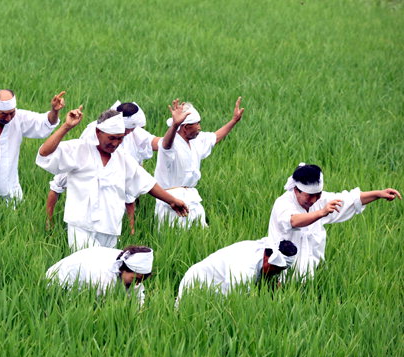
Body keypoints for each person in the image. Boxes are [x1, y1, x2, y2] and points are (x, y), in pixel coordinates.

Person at [36, 105, 189, 250]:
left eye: (120, 138)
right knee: (88, 270)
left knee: (106, 273)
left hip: (110, 228)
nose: (115, 143)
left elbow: (146, 183)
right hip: (81, 227)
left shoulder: (122, 159)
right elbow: (45, 153)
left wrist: (172, 200)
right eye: (111, 138)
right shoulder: (80, 149)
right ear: (98, 132)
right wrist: (66, 127)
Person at [267, 163, 401, 278]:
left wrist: (378, 194)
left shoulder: (320, 200)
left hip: (311, 276)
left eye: (317, 195)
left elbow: (349, 200)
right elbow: (293, 221)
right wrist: (321, 213)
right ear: (296, 190)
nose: (314, 200)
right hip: (282, 276)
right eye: (310, 196)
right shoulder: (283, 204)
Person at [45, 101, 159, 232]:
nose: (129, 133)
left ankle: (129, 229)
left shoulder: (131, 134)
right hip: (81, 166)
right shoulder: (95, 132)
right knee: (58, 185)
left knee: (123, 194)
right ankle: (50, 222)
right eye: (128, 130)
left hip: (111, 170)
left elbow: (156, 143)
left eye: (129, 131)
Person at [154, 98, 244, 227]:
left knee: (199, 233)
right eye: (197, 124)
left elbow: (215, 137)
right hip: (171, 201)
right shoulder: (171, 143)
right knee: (176, 237)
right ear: (185, 127)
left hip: (192, 199)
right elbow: (165, 145)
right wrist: (174, 125)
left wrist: (234, 121)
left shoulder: (196, 140)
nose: (200, 127)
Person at [176, 239, 298, 303]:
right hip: (198, 283)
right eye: (276, 270)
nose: (276, 274)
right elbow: (236, 303)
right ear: (268, 258)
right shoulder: (245, 270)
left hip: (220, 283)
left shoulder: (263, 250)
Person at [46, 245, 154, 305]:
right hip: (58, 282)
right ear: (124, 269)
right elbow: (101, 304)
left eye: (141, 280)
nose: (137, 283)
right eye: (135, 279)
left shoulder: (131, 267)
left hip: (84, 283)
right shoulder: (103, 275)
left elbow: (137, 294)